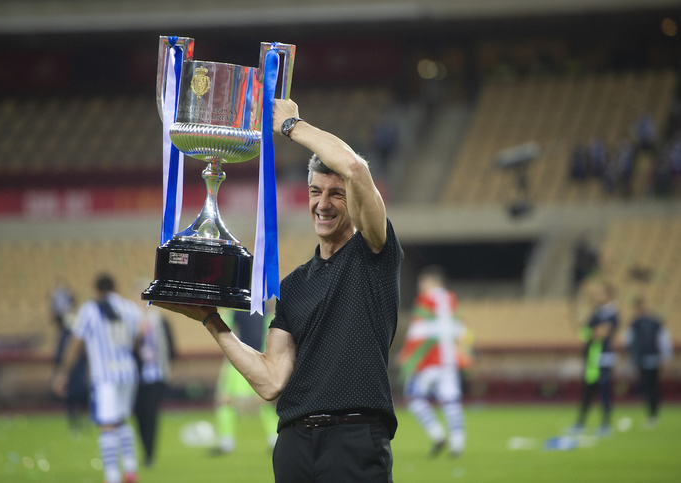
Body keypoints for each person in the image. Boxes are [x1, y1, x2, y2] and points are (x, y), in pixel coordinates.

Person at [155, 97, 403, 482]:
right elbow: (271, 381)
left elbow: (354, 168)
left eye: (336, 194)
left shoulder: (373, 253)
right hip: (294, 445)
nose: (323, 204)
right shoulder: (292, 286)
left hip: (355, 440)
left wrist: (292, 126)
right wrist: (210, 320)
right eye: (315, 191)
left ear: (353, 201)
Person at [52, 274, 142, 483]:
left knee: (107, 424)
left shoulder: (90, 309)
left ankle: (112, 476)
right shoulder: (129, 308)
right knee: (122, 419)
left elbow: (76, 343)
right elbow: (137, 341)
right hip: (128, 372)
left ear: (96, 290)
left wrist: (63, 372)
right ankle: (130, 469)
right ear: (114, 287)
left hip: (105, 375)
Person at [398, 266, 471, 458]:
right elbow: (461, 330)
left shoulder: (426, 300)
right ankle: (458, 443)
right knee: (451, 400)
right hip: (450, 359)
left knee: (414, 398)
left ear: (431, 282)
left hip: (430, 361)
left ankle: (437, 434)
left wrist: (407, 356)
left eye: (422, 283)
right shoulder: (452, 299)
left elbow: (419, 332)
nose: (420, 287)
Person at [210, 309, 279, 456]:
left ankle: (226, 442)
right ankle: (275, 440)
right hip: (260, 362)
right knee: (264, 402)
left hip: (237, 364)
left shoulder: (235, 312)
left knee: (226, 402)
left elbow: (221, 328)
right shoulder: (264, 314)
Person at [571, 282, 619, 437]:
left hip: (604, 357)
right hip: (592, 357)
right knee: (587, 391)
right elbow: (584, 333)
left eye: (601, 293)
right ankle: (580, 423)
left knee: (604, 391)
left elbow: (601, 333)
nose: (598, 296)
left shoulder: (612, 313)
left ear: (608, 295)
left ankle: (605, 424)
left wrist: (591, 332)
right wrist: (590, 331)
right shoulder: (596, 313)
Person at [134, 303, 174, 467]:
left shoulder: (160, 321)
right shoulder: (133, 322)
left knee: (151, 415)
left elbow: (170, 347)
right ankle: (144, 448)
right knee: (139, 415)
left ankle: (149, 454)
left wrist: (167, 368)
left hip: (156, 376)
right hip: (137, 377)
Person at [624, 297, 673, 427]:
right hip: (644, 359)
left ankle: (653, 414)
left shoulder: (653, 323)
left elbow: (663, 340)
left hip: (652, 358)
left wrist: (666, 357)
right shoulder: (637, 323)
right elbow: (628, 341)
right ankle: (652, 414)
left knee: (652, 387)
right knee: (648, 387)